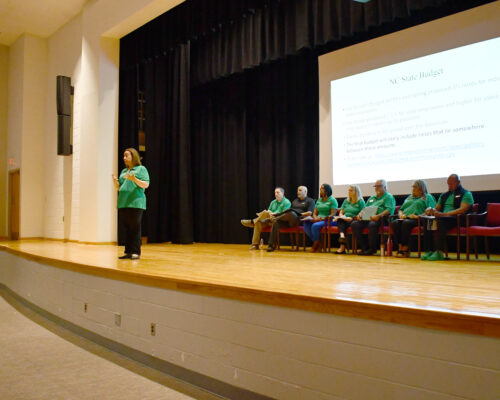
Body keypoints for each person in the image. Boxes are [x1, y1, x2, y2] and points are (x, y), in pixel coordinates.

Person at [421, 174, 473, 261]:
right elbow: (437, 208)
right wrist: (431, 210)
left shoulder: (466, 194)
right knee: (427, 221)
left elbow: (462, 209)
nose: (449, 186)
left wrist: (445, 214)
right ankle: (429, 250)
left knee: (440, 221)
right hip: (443, 217)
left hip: (457, 219)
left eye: (451, 183)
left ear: (458, 182)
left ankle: (439, 252)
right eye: (448, 184)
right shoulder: (444, 195)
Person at [112, 148, 150, 260]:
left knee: (135, 227)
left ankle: (135, 252)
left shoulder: (141, 169)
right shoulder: (124, 172)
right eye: (123, 156)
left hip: (136, 203)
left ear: (134, 157)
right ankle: (128, 251)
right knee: (127, 228)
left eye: (126, 156)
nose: (124, 158)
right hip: (123, 203)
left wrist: (135, 180)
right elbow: (120, 188)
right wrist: (116, 183)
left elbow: (146, 184)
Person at [390, 180, 436, 258]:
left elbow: (431, 210)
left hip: (418, 219)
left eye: (415, 187)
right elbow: (401, 209)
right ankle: (400, 246)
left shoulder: (427, 197)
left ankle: (406, 248)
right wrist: (401, 214)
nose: (413, 189)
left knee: (406, 223)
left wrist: (418, 216)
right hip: (405, 217)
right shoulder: (409, 197)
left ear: (421, 188)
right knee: (394, 223)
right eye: (413, 187)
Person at [351, 179, 395, 255]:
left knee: (372, 225)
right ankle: (364, 248)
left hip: (382, 218)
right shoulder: (372, 198)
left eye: (379, 186)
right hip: (368, 217)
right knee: (355, 224)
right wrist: (360, 214)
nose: (376, 188)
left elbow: (389, 209)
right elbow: (364, 208)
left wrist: (378, 215)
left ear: (384, 187)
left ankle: (372, 249)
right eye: (375, 186)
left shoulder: (388, 197)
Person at [266, 186, 315, 252]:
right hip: (288, 220)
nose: (298, 192)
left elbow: (310, 213)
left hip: (298, 220)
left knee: (292, 213)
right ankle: (271, 245)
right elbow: (287, 212)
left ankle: (274, 218)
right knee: (276, 222)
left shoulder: (310, 201)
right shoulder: (295, 201)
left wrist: (299, 214)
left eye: (300, 190)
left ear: (305, 191)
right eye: (298, 190)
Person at [303, 184, 337, 252]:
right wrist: (315, 218)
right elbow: (315, 213)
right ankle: (319, 243)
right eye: (320, 188)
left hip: (329, 220)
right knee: (306, 224)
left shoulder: (332, 200)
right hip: (318, 219)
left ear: (327, 190)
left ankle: (315, 244)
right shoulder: (319, 200)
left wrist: (322, 219)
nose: (320, 190)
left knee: (314, 226)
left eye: (322, 188)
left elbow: (333, 214)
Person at [335, 185, 366, 254]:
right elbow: (341, 211)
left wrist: (352, 218)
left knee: (346, 223)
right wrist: (341, 216)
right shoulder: (346, 200)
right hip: (345, 219)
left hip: (354, 219)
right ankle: (342, 237)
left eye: (351, 190)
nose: (349, 192)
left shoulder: (360, 201)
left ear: (356, 192)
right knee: (340, 220)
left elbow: (363, 212)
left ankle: (342, 246)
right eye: (348, 190)